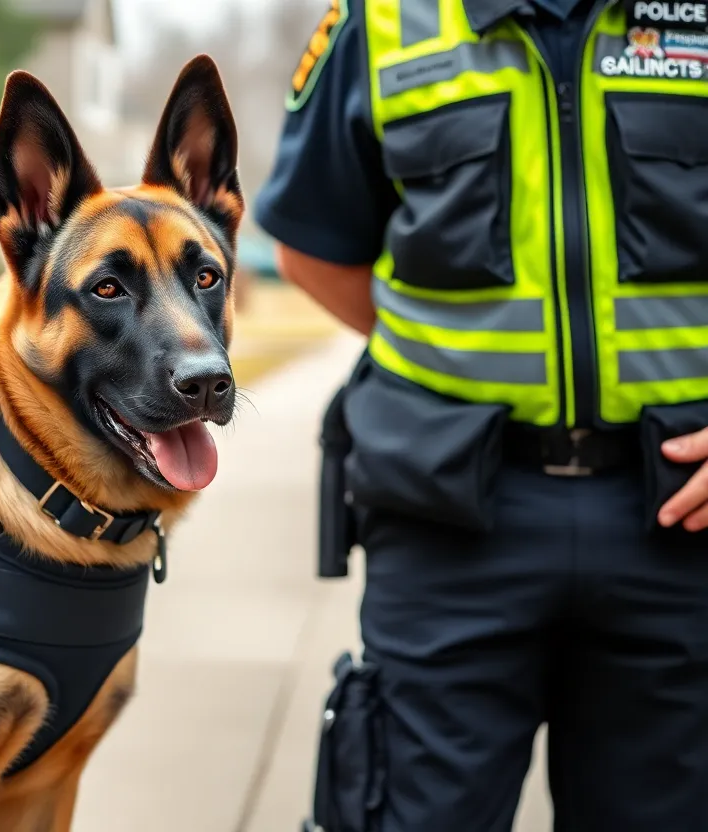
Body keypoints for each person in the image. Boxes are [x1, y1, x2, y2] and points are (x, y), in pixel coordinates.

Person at [254, 0, 708, 828]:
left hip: (679, 522)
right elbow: (313, 246)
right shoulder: (381, 21)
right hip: (451, 519)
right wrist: (446, 360)